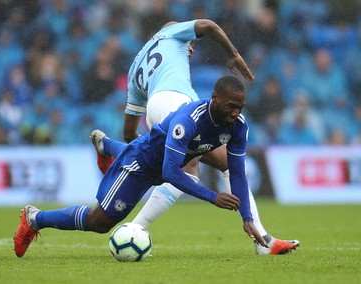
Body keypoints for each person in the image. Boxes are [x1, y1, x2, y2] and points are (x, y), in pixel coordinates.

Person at [96, 19, 299, 255]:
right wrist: (233, 54)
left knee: (222, 163)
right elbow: (209, 26)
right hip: (176, 103)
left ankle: (106, 146)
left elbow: (130, 133)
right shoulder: (171, 33)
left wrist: (138, 154)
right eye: (189, 41)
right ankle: (135, 228)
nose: (191, 47)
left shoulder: (135, 69)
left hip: (155, 108)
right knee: (189, 167)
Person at [13, 76, 269, 257]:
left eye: (239, 107)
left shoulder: (238, 125)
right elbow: (170, 173)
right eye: (231, 106)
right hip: (140, 165)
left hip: (155, 156)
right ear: (214, 98)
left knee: (148, 149)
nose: (235, 112)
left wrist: (247, 217)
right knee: (100, 222)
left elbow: (236, 171)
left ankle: (106, 145)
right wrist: (213, 197)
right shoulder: (188, 121)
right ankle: (35, 218)